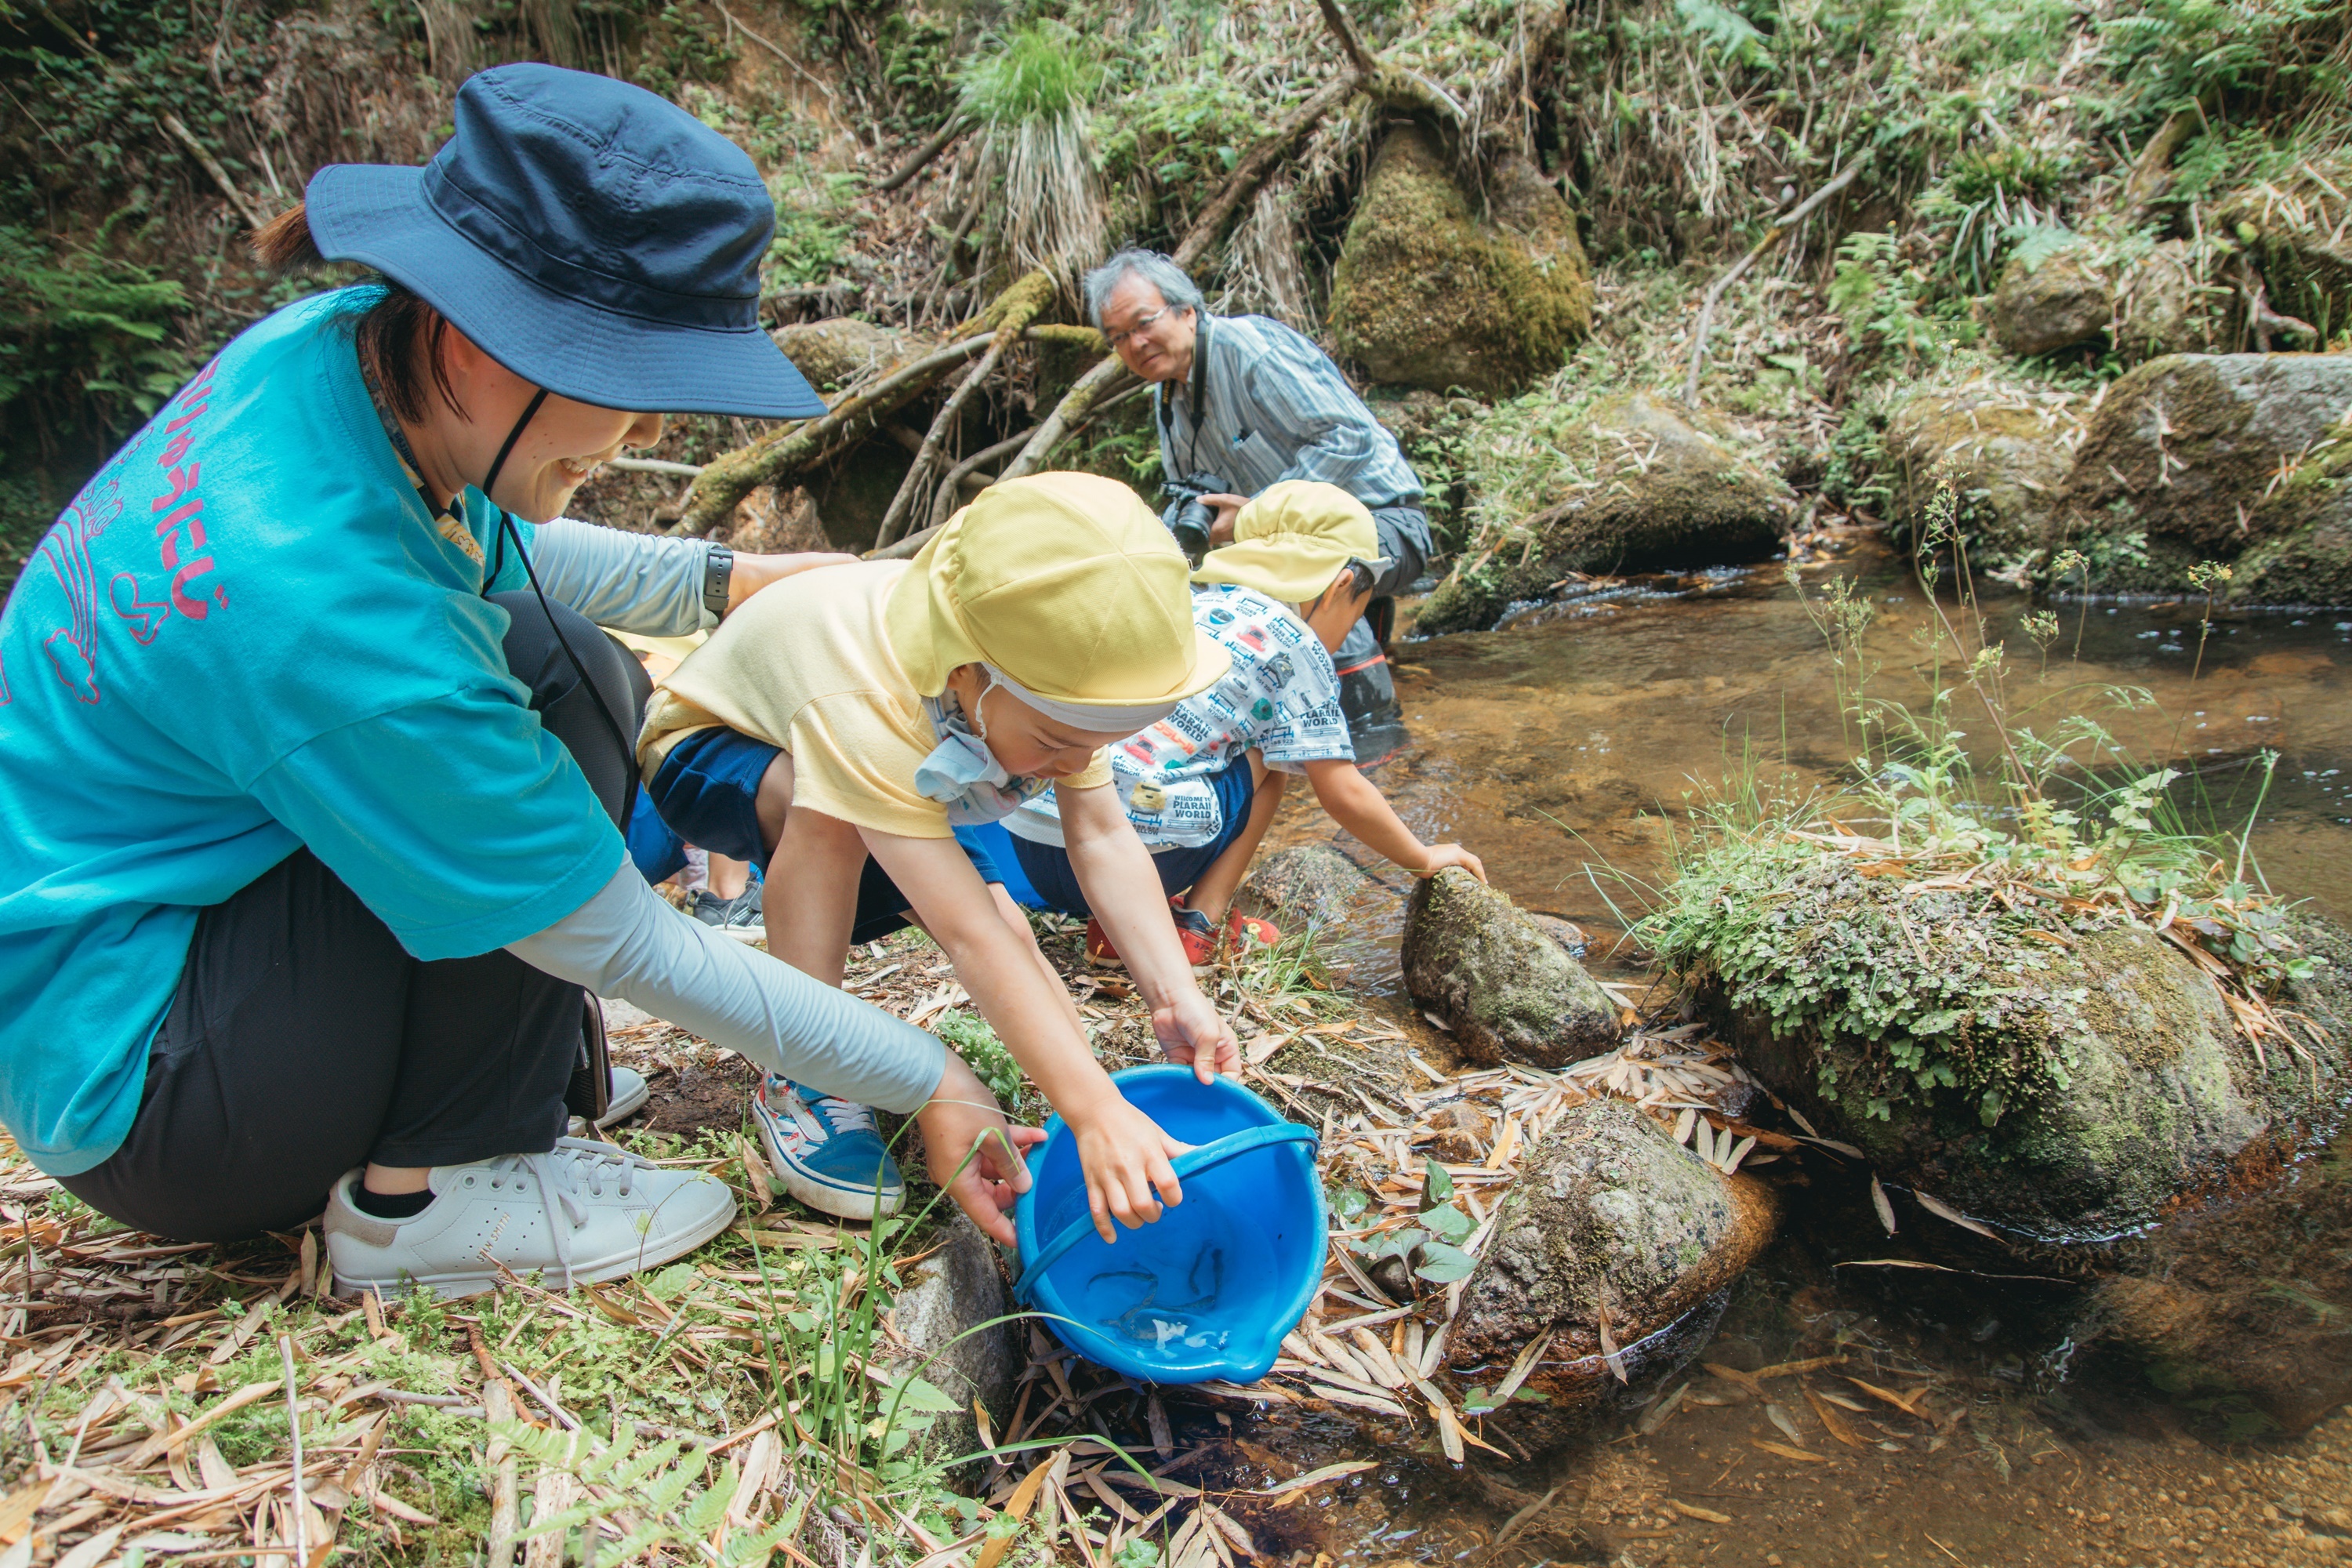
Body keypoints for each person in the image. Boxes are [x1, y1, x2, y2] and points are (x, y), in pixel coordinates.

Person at [0, 64, 1031, 1300]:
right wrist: (929, 1075)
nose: (649, 433)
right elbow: (627, 941)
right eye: (630, 376)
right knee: (542, 701)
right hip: (162, 1095)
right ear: (479, 339)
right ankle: (428, 1196)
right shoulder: (334, 620)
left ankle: (491, 1090)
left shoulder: (333, 360)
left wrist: (731, 577)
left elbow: (506, 547)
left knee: (562, 657)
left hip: (172, 949)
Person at [636, 473, 1243, 1237]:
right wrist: (1093, 1109)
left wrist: (1171, 992)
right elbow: (964, 937)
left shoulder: (1044, 673)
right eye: (1059, 741)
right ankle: (798, 1072)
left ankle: (1084, 1104)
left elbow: (1101, 833)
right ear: (964, 672)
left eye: (1095, 744)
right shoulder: (869, 696)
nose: (1072, 763)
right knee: (829, 812)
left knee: (1004, 916)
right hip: (713, 750)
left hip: (915, 750)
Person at [1002, 483, 1484, 964]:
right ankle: (1201, 927)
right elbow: (1343, 792)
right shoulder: (1295, 643)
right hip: (1134, 862)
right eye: (1363, 608)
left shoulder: (1190, 605)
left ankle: (1113, 932)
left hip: (1036, 845)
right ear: (1341, 586)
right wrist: (1421, 858)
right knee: (1275, 759)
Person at [1082, 249, 1434, 767]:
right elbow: (1193, 501)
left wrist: (1254, 515)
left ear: (1187, 312)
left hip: (1384, 523)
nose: (1134, 343)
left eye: (1143, 323)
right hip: (1283, 547)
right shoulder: (1169, 403)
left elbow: (1349, 436)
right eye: (1117, 337)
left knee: (1297, 571)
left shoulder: (1249, 349)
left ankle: (1380, 745)